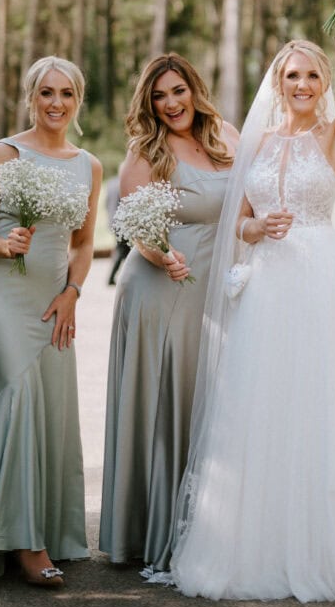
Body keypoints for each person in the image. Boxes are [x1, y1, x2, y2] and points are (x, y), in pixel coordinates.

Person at [147, 0, 335, 602]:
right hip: (266, 287)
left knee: (321, 407)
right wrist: (252, 232)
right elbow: (240, 222)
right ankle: (256, 544)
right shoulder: (257, 142)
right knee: (260, 411)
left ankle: (329, 545)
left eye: (312, 74)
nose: (303, 83)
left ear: (323, 83)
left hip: (317, 283)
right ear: (278, 84)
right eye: (292, 74)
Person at [0, 56, 102, 586]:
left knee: (52, 413)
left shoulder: (88, 164)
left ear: (78, 100)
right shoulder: (4, 153)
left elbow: (84, 244)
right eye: (46, 93)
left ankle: (42, 529)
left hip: (53, 302)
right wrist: (3, 242)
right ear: (30, 97)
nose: (56, 103)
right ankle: (27, 546)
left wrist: (73, 292)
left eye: (67, 93)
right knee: (16, 401)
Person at [99, 54, 238, 569]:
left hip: (212, 292)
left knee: (202, 406)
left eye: (178, 90)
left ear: (194, 89)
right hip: (161, 287)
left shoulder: (226, 136)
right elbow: (133, 226)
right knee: (163, 404)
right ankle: (149, 533)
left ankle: (201, 526)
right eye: (159, 96)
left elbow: (250, 203)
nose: (171, 103)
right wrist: (162, 254)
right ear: (148, 104)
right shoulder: (145, 152)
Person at [105, 173, 130, 285]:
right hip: (122, 223)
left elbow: (106, 203)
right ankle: (111, 278)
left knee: (122, 249)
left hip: (112, 220)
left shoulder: (110, 183)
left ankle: (115, 277)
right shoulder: (125, 183)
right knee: (122, 250)